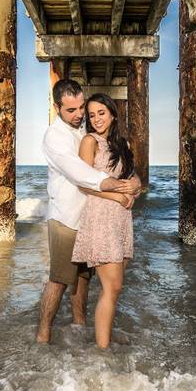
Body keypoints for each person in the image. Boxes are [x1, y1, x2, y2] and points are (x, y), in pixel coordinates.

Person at [36, 79, 141, 344]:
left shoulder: (86, 126)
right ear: (56, 107)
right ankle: (43, 334)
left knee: (83, 278)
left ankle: (79, 327)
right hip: (66, 217)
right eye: (71, 110)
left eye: (81, 108)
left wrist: (135, 183)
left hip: (91, 219)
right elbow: (79, 172)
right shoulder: (55, 137)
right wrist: (115, 189)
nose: (80, 115)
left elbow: (118, 160)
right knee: (60, 279)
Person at [71, 93, 135, 349]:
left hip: (121, 219)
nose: (96, 119)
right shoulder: (89, 141)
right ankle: (102, 350)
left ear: (113, 114)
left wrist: (136, 184)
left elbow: (132, 177)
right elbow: (84, 184)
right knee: (113, 286)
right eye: (92, 115)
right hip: (101, 215)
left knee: (115, 287)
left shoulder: (123, 145)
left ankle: (103, 339)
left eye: (102, 113)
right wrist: (117, 198)